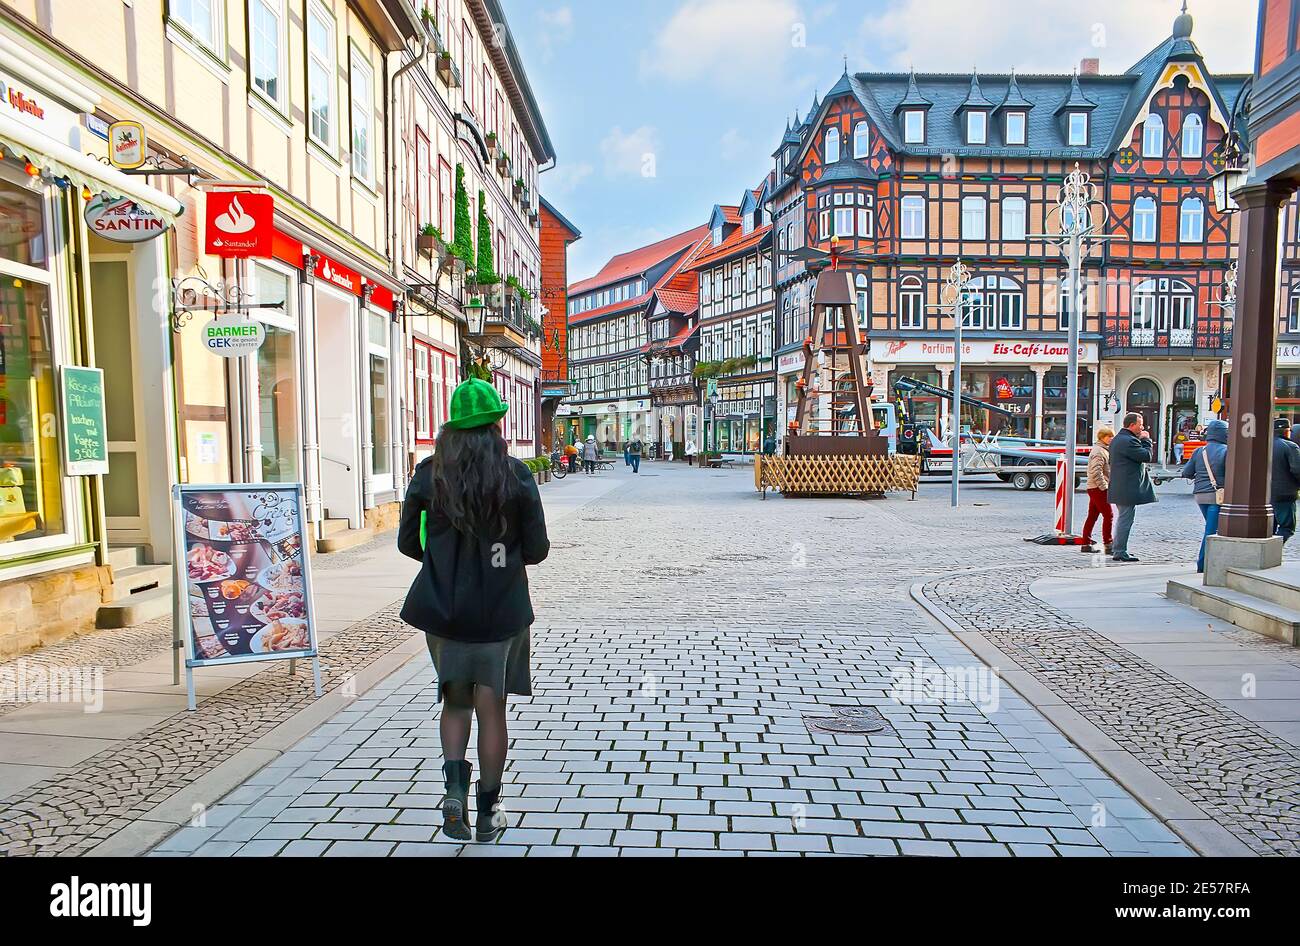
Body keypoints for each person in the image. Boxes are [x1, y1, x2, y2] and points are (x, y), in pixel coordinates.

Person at [398, 378, 549, 843]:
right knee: (492, 708)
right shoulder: (517, 475)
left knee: (456, 700)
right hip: (501, 613)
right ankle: (487, 814)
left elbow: (408, 543)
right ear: (497, 426)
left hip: (443, 612)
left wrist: (444, 559)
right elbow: (538, 549)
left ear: (450, 428)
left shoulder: (428, 474)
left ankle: (452, 794)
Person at [1180, 418, 1229, 573]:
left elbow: (1186, 472)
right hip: (1217, 495)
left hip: (1200, 496)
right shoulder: (1227, 451)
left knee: (1214, 527)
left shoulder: (1199, 451)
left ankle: (1215, 560)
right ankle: (1202, 565)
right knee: (1211, 530)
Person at [1108, 412, 1157, 563]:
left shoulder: (1118, 439)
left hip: (1121, 486)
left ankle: (1118, 549)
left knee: (1124, 518)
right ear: (1132, 425)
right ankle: (1120, 551)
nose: (1142, 428)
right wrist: (1147, 440)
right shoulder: (1128, 441)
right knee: (1125, 519)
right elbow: (1146, 456)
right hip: (1126, 488)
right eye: (1140, 424)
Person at [1081, 426, 1114, 555]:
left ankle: (1086, 543)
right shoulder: (1099, 451)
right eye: (1109, 436)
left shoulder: (1102, 450)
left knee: (1092, 516)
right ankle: (1108, 543)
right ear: (1102, 437)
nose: (1111, 439)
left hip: (1094, 487)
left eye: (1112, 436)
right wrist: (1104, 486)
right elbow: (1096, 471)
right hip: (1098, 488)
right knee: (1108, 515)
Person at [1272, 418, 1300, 543]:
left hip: (1264, 496)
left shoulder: (1262, 445)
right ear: (1286, 431)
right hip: (1284, 494)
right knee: (1287, 527)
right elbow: (1297, 470)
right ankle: (1272, 553)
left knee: (1268, 528)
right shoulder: (1290, 446)